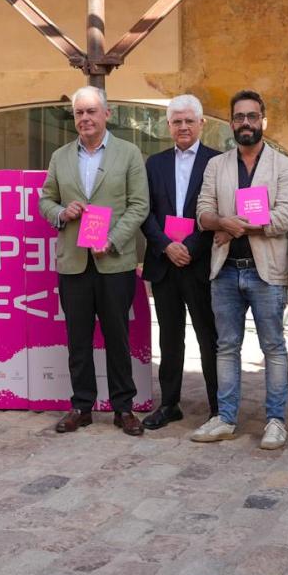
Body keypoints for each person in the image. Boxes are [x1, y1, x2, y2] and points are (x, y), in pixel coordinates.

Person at [39, 86, 151, 437]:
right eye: (79, 113)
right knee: (78, 338)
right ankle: (81, 405)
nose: (85, 118)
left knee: (118, 337)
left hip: (114, 262)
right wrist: (61, 212)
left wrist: (113, 240)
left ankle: (123, 408)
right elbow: (45, 200)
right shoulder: (60, 157)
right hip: (74, 262)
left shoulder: (129, 153)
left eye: (91, 112)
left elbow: (139, 206)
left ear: (107, 114)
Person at [191, 89, 288, 450]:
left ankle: (275, 421)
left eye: (252, 117)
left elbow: (285, 217)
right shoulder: (216, 165)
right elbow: (202, 211)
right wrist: (219, 220)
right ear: (232, 123)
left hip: (265, 272)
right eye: (239, 117)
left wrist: (236, 226)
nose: (246, 123)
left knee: (274, 347)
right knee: (226, 347)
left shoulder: (283, 166)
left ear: (263, 122)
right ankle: (225, 417)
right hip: (224, 271)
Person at [139, 94, 221, 430]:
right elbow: (144, 213)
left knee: (209, 337)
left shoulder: (218, 162)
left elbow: (218, 212)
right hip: (164, 263)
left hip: (200, 263)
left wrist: (189, 247)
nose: (183, 126)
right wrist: (166, 246)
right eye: (177, 121)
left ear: (202, 124)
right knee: (169, 338)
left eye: (189, 120)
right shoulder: (154, 164)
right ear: (169, 126)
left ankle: (219, 407)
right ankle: (169, 403)